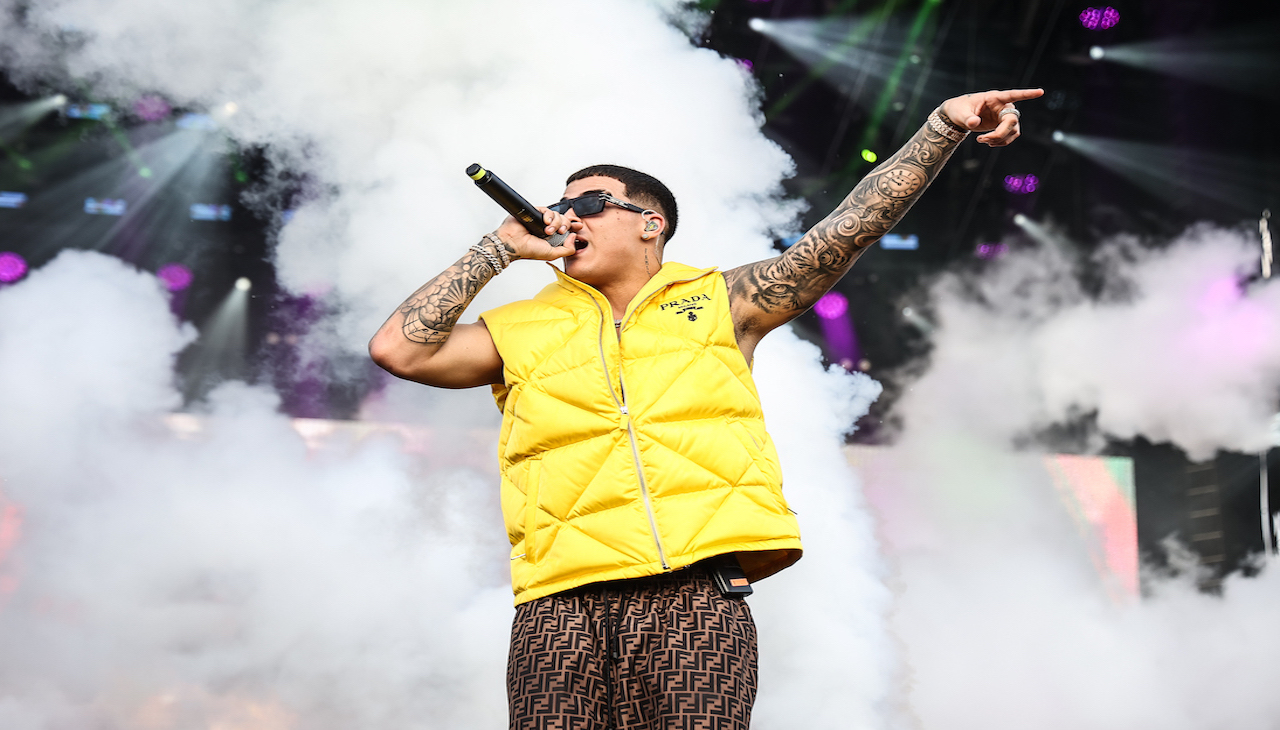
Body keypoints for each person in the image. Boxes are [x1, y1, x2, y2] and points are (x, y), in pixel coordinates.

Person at [369, 88, 1042, 730]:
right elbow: (399, 349)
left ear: (649, 223)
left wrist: (943, 126)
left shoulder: (725, 299)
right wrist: (499, 248)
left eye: (593, 202)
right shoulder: (517, 328)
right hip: (559, 601)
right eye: (559, 204)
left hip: (694, 596)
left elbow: (850, 229)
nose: (568, 215)